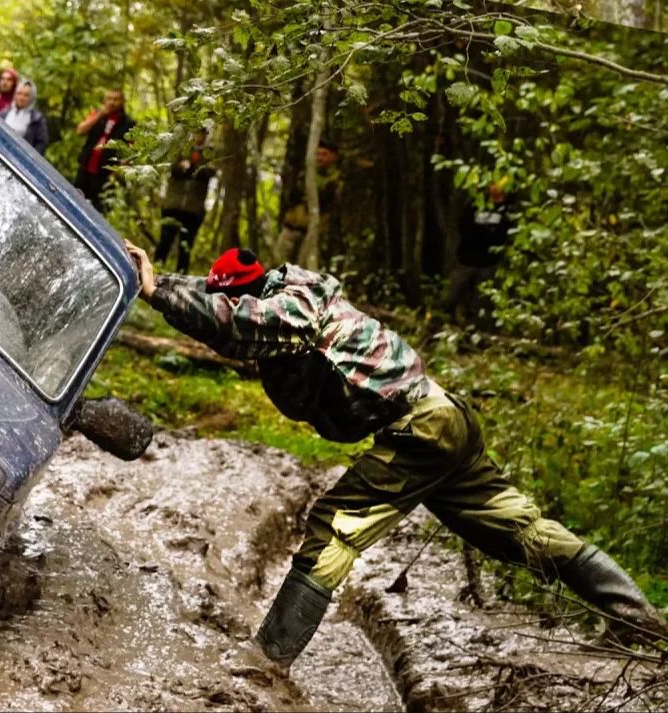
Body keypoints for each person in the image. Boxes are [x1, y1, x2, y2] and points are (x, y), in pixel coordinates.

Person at [124, 242, 668, 669]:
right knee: (518, 529)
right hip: (442, 417)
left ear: (256, 291)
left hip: (420, 431)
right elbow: (223, 300)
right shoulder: (285, 288)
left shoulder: (291, 307)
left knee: (332, 529)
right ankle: (637, 619)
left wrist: (157, 297)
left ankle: (269, 658)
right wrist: (158, 279)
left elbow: (235, 320)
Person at [444, 180, 514, 324]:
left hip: (488, 264)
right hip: (467, 260)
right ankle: (445, 323)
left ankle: (472, 332)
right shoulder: (476, 204)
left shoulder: (507, 210)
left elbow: (505, 234)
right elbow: (463, 225)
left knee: (479, 304)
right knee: (451, 297)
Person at [273, 140, 342, 269]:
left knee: (303, 266)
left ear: (334, 157)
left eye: (324, 154)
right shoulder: (305, 173)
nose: (320, 158)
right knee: (278, 260)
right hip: (292, 226)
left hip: (312, 230)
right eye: (318, 154)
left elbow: (329, 203)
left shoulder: (335, 179)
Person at [154, 128, 215, 273]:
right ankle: (154, 273)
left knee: (185, 248)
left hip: (193, 210)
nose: (197, 136)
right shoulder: (181, 148)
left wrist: (194, 167)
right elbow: (173, 167)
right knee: (164, 242)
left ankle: (180, 278)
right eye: (196, 132)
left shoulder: (209, 153)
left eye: (201, 133)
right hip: (173, 205)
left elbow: (210, 172)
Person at [73, 88, 135, 212]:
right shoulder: (97, 115)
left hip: (105, 177)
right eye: (109, 99)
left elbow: (132, 152)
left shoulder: (129, 124)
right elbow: (80, 130)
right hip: (85, 171)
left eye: (116, 99)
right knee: (74, 204)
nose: (112, 102)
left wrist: (117, 172)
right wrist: (99, 115)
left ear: (123, 101)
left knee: (98, 212)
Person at [0, 79, 49, 155]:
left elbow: (41, 144)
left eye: (26, 95)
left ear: (32, 97)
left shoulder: (36, 119)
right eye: (19, 93)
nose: (21, 98)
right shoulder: (4, 113)